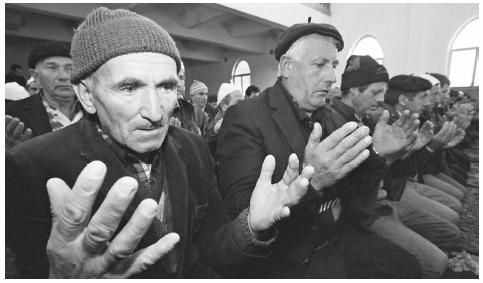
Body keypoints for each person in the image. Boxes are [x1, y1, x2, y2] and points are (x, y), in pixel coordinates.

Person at [6, 7, 316, 278]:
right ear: (87, 95)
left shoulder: (193, 148)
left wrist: (250, 227)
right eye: (129, 87)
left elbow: (210, 251)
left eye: (167, 86)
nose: (155, 113)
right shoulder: (31, 166)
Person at [217, 23, 421, 278]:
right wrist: (311, 182)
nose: (332, 77)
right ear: (287, 67)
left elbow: (351, 191)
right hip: (290, 254)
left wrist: (379, 154)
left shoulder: (330, 117)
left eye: (333, 65)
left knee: (408, 266)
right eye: (319, 64)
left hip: (337, 236)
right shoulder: (246, 117)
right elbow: (243, 214)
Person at [5, 41, 84, 150]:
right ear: (35, 75)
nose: (64, 76)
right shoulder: (11, 115)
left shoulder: (97, 111)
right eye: (52, 68)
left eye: (70, 68)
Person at [170, 61, 199, 134]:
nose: (179, 84)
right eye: (174, 78)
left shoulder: (189, 108)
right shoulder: (153, 109)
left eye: (181, 78)